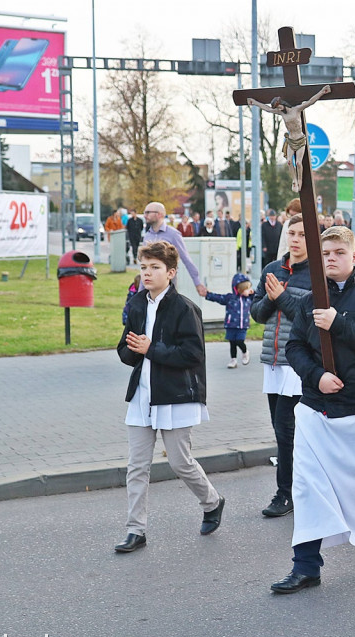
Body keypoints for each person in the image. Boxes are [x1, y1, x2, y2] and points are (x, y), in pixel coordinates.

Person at [271, 226, 355, 594]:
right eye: (325, 253)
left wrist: (339, 324)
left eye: (338, 253)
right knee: (307, 487)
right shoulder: (310, 298)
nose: (330, 258)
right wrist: (317, 377)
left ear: (353, 256)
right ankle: (306, 565)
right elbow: (294, 347)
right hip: (317, 409)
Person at [114, 241, 224, 553]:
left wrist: (152, 349)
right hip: (142, 396)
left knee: (180, 462)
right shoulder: (137, 304)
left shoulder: (185, 308)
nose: (147, 273)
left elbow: (192, 354)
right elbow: (125, 348)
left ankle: (212, 501)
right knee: (137, 466)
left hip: (176, 395)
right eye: (143, 267)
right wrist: (132, 352)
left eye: (154, 267)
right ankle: (136, 530)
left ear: (171, 272)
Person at [251, 215, 311, 518]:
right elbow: (257, 314)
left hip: (297, 364)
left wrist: (281, 296)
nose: (296, 239)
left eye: (302, 234)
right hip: (272, 363)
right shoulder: (272, 269)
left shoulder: (317, 273)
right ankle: (296, 488)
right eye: (292, 233)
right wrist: (273, 299)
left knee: (288, 430)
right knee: (280, 429)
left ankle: (285, 493)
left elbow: (309, 315)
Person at [245, 85, 332, 192]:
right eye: (277, 108)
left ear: (283, 104)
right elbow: (267, 109)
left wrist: (322, 92)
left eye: (279, 107)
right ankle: (294, 179)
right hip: (290, 140)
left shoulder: (296, 110)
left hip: (300, 140)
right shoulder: (280, 112)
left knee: (299, 163)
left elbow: (310, 102)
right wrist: (254, 102)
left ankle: (300, 180)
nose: (278, 109)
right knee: (289, 162)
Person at [140, 201, 208, 298]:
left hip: (167, 288)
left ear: (159, 214)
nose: (145, 215)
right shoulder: (147, 236)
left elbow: (186, 259)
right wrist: (139, 294)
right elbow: (144, 264)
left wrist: (197, 283)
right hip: (149, 288)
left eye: (148, 212)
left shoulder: (173, 235)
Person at [206, 274, 254, 369]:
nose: (249, 290)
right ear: (239, 289)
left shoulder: (249, 298)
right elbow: (218, 298)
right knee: (232, 343)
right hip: (231, 324)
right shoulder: (230, 298)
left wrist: (252, 293)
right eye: (247, 289)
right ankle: (233, 360)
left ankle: (245, 352)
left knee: (240, 341)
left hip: (242, 326)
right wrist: (207, 294)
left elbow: (259, 296)